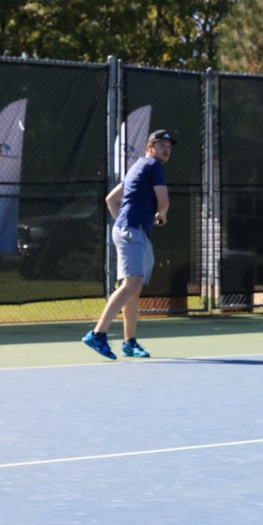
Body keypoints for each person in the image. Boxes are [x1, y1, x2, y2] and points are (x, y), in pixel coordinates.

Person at [82, 129, 175, 360]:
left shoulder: (137, 167)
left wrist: (123, 225)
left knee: (134, 287)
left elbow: (111, 200)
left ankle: (129, 342)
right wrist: (161, 216)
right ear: (149, 147)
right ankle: (97, 334)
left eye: (169, 146)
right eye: (161, 144)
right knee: (131, 284)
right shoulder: (153, 167)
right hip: (132, 231)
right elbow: (163, 202)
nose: (166, 149)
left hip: (133, 231)